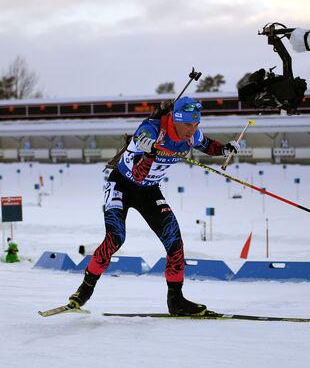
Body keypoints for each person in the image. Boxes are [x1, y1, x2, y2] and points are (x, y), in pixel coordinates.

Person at [68, 97, 239, 316]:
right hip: (121, 184)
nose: (192, 130)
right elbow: (138, 174)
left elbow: (206, 144)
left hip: (148, 190)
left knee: (175, 242)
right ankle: (84, 291)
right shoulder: (151, 130)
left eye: (196, 124)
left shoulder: (192, 134)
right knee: (115, 238)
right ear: (176, 119)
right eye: (188, 124)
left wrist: (224, 149)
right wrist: (150, 153)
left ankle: (176, 300)